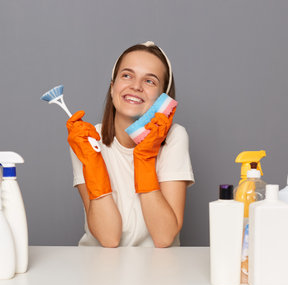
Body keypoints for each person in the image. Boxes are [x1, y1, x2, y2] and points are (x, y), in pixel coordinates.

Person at [67, 41, 194, 247]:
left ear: (163, 100)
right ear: (112, 87)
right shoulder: (87, 139)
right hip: (99, 265)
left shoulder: (175, 137)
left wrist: (144, 159)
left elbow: (164, 237)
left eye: (150, 81)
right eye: (127, 75)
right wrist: (93, 164)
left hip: (158, 271)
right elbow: (109, 238)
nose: (136, 86)